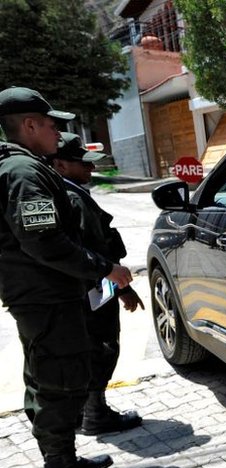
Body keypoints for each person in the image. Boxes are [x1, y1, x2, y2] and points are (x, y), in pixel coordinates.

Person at [0, 87, 133, 468]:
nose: (59, 132)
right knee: (58, 383)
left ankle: (65, 464)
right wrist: (105, 269)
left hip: (45, 296)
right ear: (29, 124)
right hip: (47, 297)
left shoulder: (23, 166)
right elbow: (46, 243)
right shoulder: (23, 171)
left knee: (50, 380)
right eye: (53, 124)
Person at [49, 133, 144, 435]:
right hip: (94, 289)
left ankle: (85, 412)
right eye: (83, 164)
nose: (91, 170)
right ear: (61, 165)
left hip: (84, 290)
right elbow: (96, 252)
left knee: (89, 348)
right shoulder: (73, 197)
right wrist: (122, 290)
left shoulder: (64, 192)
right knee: (103, 346)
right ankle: (96, 414)